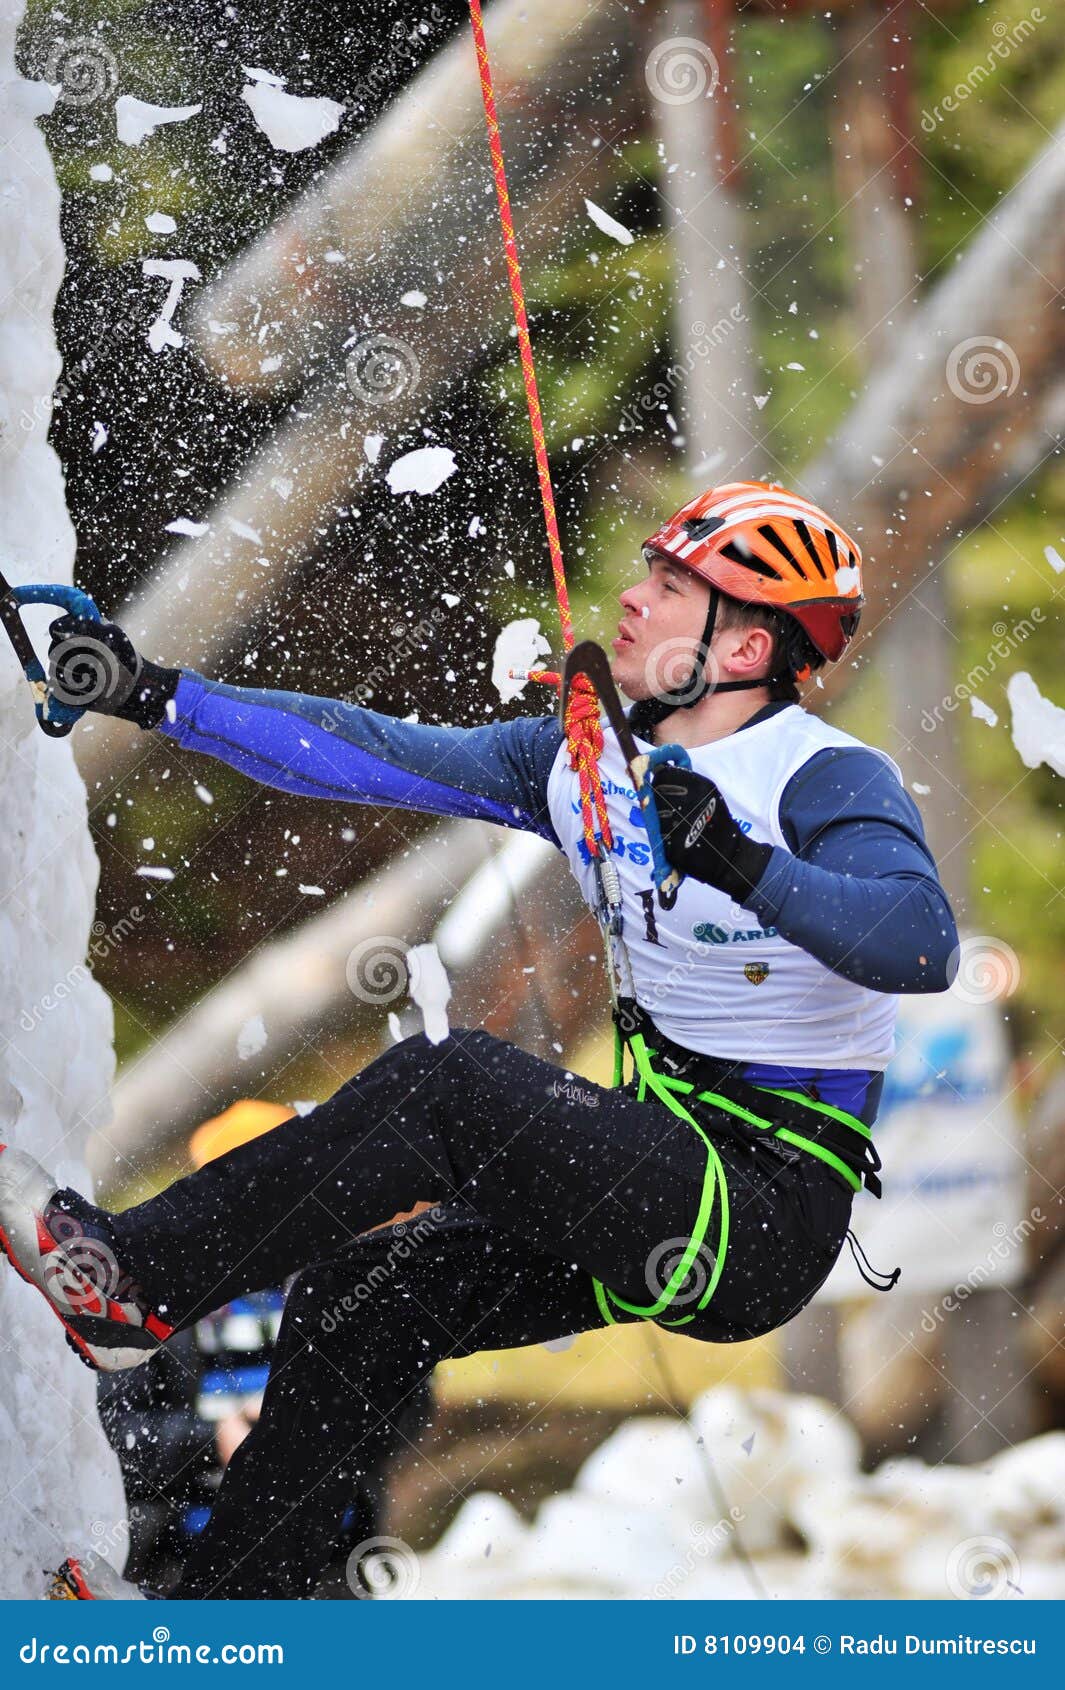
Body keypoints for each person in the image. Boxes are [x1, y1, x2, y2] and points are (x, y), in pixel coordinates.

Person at [0, 481, 958, 1600]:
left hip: (756, 1217)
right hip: (659, 1179)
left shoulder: (822, 775)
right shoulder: (584, 764)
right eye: (647, 574)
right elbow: (363, 750)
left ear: (744, 645)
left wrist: (737, 860)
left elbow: (919, 940)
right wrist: (154, 694)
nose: (634, 600)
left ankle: (136, 1281)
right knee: (361, 1304)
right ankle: (224, 1628)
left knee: (448, 1086)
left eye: (670, 587)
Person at [96, 1102, 435, 1597]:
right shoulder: (152, 1299)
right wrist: (212, 1440)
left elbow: (412, 1405)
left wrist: (317, 1421)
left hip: (329, 1573)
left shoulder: (354, 1278)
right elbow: (113, 1438)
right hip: (183, 1572)